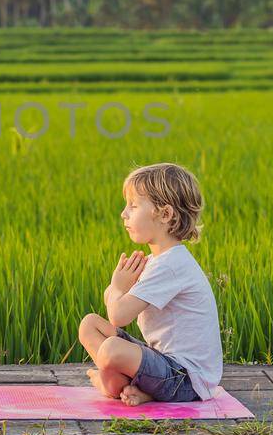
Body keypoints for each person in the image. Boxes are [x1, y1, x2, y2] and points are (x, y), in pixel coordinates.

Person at [77, 162, 222, 406]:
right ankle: (124, 386)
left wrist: (118, 286)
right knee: (90, 325)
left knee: (111, 349)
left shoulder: (171, 265)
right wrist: (117, 290)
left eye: (133, 206)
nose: (124, 213)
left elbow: (118, 316)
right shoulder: (158, 261)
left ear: (165, 214)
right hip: (164, 362)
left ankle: (115, 383)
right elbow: (114, 304)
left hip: (185, 380)